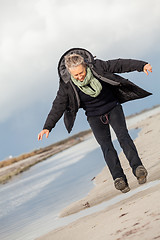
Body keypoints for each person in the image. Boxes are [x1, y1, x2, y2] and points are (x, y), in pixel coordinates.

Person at [38, 48, 152, 193]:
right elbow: (58, 105)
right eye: (76, 75)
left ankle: (138, 169)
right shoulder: (67, 85)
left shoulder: (98, 66)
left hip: (112, 108)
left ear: (85, 65)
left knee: (123, 137)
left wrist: (142, 66)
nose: (79, 77)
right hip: (94, 116)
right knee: (106, 146)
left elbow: (119, 64)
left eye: (81, 73)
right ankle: (119, 179)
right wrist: (47, 126)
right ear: (69, 72)